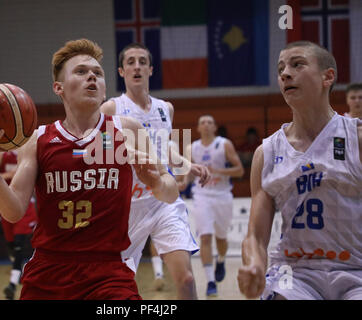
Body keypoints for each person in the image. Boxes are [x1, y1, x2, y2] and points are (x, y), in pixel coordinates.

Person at [0, 38, 179, 300]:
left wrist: (157, 183)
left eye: (98, 73)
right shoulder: (38, 140)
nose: (92, 76)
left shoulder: (129, 129)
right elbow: (12, 211)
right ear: (59, 87)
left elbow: (171, 192)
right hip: (49, 271)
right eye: (81, 71)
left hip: (109, 272)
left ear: (104, 89)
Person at [238, 41, 362, 300]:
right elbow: (256, 236)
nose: (285, 73)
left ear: (327, 77)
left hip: (356, 268)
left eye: (297, 64)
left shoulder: (356, 139)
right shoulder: (267, 152)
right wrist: (254, 264)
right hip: (295, 272)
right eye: (281, 68)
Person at [101, 42, 211, 300]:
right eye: (130, 62)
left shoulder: (165, 108)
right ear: (121, 71)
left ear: (151, 69)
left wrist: (186, 164)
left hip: (162, 201)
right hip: (126, 207)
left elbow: (163, 148)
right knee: (117, 286)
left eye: (142, 61)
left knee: (185, 279)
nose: (136, 66)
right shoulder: (111, 109)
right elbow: (102, 155)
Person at [179, 115, 244, 296]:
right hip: (202, 195)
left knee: (221, 239)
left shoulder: (224, 144)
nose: (206, 125)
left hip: (223, 195)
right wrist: (184, 181)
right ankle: (210, 281)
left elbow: (239, 170)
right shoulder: (191, 148)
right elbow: (188, 174)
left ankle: (221, 259)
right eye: (202, 122)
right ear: (198, 128)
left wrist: (219, 171)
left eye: (209, 122)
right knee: (205, 237)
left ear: (215, 127)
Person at [0, 150, 38, 300]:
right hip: (5, 202)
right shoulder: (1, 151)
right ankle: (18, 273)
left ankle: (12, 284)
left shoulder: (28, 146)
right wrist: (10, 174)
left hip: (24, 203)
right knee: (12, 246)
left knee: (20, 244)